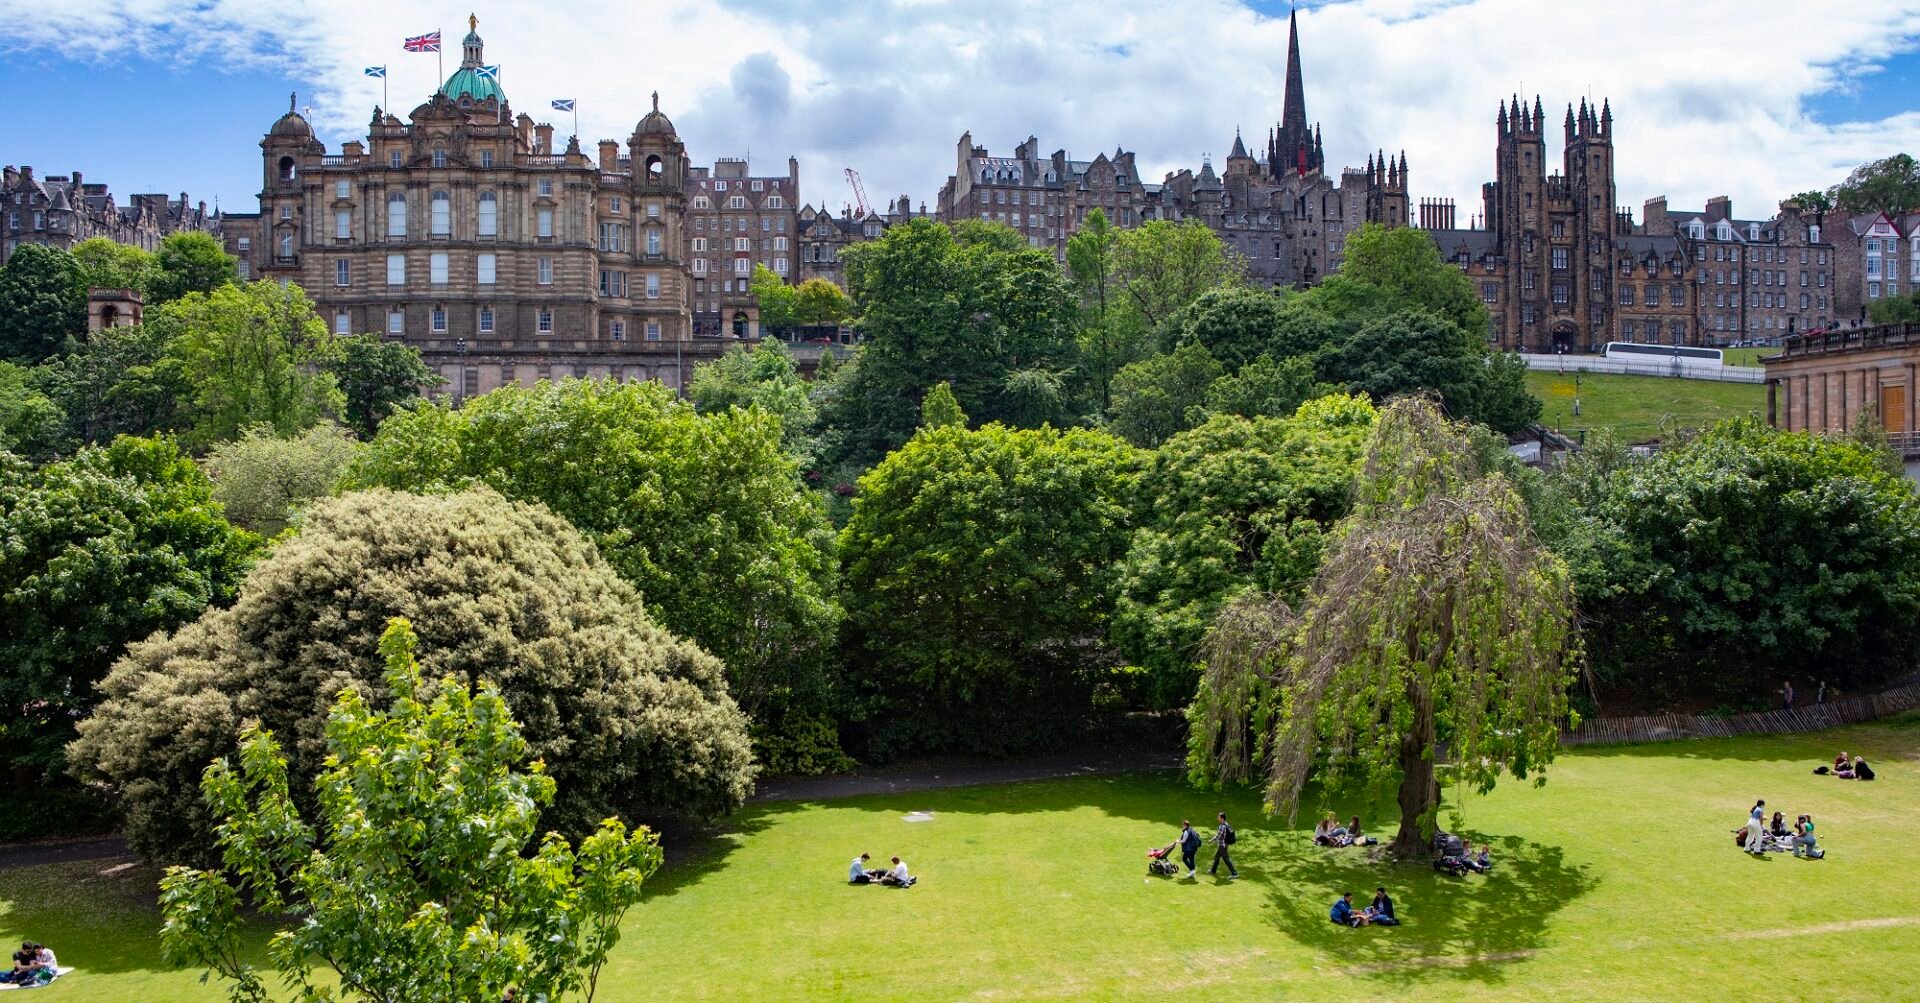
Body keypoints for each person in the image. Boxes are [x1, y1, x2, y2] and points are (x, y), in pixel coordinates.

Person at [1211, 812, 1238, 879]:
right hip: (1224, 844)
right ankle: (1213, 870)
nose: (1217, 818)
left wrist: (1212, 840)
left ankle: (1234, 873)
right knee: (1217, 856)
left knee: (1226, 859)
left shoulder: (1222, 826)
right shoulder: (1226, 824)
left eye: (1218, 817)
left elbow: (1218, 836)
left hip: (1223, 845)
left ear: (1222, 818)